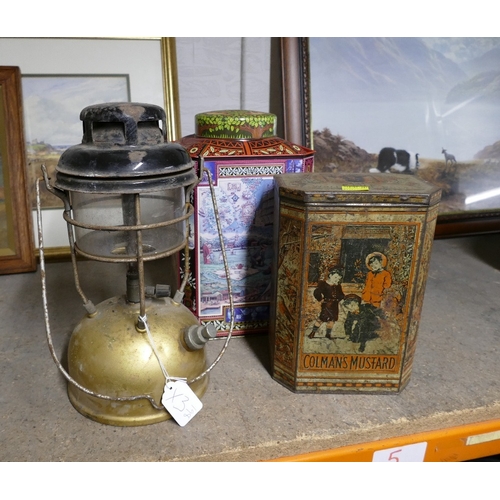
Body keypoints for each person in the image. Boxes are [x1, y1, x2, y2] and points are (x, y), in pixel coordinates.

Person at [308, 268, 345, 339]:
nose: (336, 280)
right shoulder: (324, 284)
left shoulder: (338, 286)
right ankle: (312, 333)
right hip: (327, 304)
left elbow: (341, 294)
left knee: (332, 320)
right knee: (321, 318)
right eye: (335, 277)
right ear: (330, 275)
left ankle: (328, 334)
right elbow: (317, 292)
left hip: (335, 305)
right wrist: (320, 299)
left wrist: (342, 298)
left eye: (338, 279)